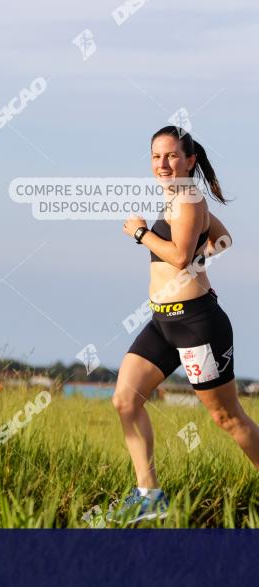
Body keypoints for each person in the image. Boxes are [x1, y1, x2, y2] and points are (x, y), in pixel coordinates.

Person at [110, 126, 259, 523]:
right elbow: (223, 238)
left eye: (172, 156)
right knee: (126, 400)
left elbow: (176, 257)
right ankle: (149, 495)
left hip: (197, 325)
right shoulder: (178, 199)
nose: (163, 164)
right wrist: (201, 255)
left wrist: (141, 233)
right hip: (162, 322)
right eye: (156, 156)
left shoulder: (189, 200)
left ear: (189, 160)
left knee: (228, 418)